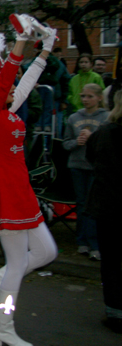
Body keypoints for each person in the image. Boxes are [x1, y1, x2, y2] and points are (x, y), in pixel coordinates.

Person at [0, 24, 58, 346]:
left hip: (21, 189)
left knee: (47, 251)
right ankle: (3, 327)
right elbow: (10, 77)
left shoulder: (8, 109)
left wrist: (46, 48)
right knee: (17, 265)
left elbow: (27, 79)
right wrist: (20, 41)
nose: (14, 86)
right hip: (5, 190)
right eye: (7, 84)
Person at [86, 90, 122, 334]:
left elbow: (92, 157)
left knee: (110, 260)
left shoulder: (103, 133)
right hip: (110, 204)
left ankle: (114, 311)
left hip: (108, 205)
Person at [63, 83, 108, 261]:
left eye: (90, 96)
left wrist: (93, 139)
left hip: (96, 167)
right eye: (83, 96)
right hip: (77, 165)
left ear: (99, 98)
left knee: (93, 206)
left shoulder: (106, 118)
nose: (86, 100)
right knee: (81, 204)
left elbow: (109, 145)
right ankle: (81, 241)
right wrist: (77, 142)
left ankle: (94, 244)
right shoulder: (74, 117)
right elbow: (65, 143)